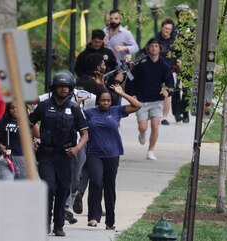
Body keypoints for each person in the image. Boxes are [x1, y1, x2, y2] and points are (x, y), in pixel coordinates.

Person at [29, 70, 88, 237]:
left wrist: (77, 148)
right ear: (54, 88)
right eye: (60, 86)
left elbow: (85, 134)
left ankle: (59, 224)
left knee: (63, 189)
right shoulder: (44, 106)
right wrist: (31, 142)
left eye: (67, 87)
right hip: (46, 155)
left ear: (70, 89)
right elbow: (28, 124)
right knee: (49, 187)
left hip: (66, 155)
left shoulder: (75, 109)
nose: (63, 89)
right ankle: (44, 223)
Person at [85, 84, 141, 229]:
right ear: (98, 101)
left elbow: (137, 105)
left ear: (111, 102)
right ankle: (93, 217)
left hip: (112, 154)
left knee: (109, 186)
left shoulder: (117, 111)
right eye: (103, 100)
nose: (105, 103)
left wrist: (122, 93)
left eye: (108, 100)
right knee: (96, 182)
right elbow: (76, 117)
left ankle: (110, 221)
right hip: (94, 153)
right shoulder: (90, 113)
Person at [125, 37, 174, 160]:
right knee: (143, 127)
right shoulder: (141, 63)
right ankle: (142, 133)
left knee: (155, 125)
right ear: (148, 48)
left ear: (160, 48)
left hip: (156, 101)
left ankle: (150, 150)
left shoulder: (164, 65)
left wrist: (166, 91)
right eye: (151, 46)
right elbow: (131, 79)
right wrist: (132, 94)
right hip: (141, 101)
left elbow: (170, 82)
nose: (154, 48)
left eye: (156, 46)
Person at [171, 4, 197, 123]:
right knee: (176, 88)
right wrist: (177, 59)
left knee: (187, 89)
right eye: (180, 14)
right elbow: (173, 46)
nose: (183, 16)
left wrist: (194, 17)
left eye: (185, 14)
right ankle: (176, 113)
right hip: (176, 61)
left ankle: (185, 112)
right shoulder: (175, 29)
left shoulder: (192, 28)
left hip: (188, 61)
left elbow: (200, 31)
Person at [156, 18, 180, 125]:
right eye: (165, 28)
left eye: (169, 29)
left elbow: (180, 54)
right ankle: (154, 114)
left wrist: (179, 61)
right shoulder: (156, 39)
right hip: (157, 70)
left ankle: (164, 117)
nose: (167, 31)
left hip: (170, 71)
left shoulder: (175, 41)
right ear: (162, 28)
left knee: (167, 94)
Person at [0, 102, 27, 180]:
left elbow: (37, 135)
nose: (15, 110)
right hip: (5, 158)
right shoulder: (3, 121)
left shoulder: (27, 121)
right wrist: (0, 145)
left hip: (22, 157)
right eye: (12, 108)